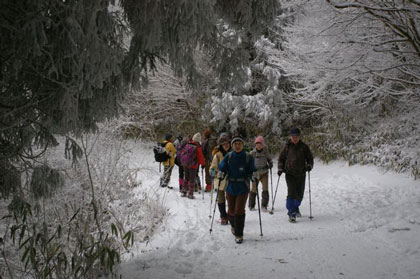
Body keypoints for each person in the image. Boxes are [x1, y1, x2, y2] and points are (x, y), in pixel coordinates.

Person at [219, 135, 256, 243]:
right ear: (232, 146)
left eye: (239, 144)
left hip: (242, 186)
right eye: (235, 144)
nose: (237, 146)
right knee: (231, 211)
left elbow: (252, 169)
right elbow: (222, 167)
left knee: (239, 210)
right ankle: (234, 226)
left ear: (242, 145)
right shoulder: (229, 156)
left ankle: (239, 234)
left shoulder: (248, 156)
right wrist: (221, 173)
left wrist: (253, 175)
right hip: (230, 186)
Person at [277, 127, 314, 223]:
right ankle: (291, 213)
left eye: (296, 136)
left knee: (299, 195)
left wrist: (309, 165)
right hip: (290, 174)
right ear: (290, 136)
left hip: (301, 173)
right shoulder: (287, 147)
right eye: (293, 136)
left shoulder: (304, 147)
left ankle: (296, 207)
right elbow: (281, 159)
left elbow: (310, 158)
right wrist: (280, 168)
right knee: (291, 193)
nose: (295, 138)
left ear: (299, 136)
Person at [210, 133, 231, 225]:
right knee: (221, 199)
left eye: (227, 143)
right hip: (220, 180)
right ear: (221, 145)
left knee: (231, 199)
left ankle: (231, 215)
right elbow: (212, 168)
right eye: (224, 144)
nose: (226, 145)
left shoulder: (234, 153)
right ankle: (223, 216)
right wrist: (216, 173)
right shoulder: (217, 155)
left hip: (232, 180)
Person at [249, 136, 273, 211]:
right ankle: (251, 205)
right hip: (255, 173)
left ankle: (264, 205)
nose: (259, 146)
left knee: (265, 188)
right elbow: (249, 162)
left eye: (260, 144)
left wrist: (270, 163)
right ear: (255, 145)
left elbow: (269, 158)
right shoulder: (252, 153)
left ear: (263, 145)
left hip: (264, 172)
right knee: (253, 189)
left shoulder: (265, 151)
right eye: (257, 144)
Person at [181, 133, 205, 199]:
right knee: (192, 180)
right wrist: (203, 164)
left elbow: (182, 153)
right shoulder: (197, 147)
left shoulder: (187, 145)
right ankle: (190, 194)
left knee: (186, 178)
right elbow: (201, 158)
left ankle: (184, 191)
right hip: (193, 166)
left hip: (185, 164)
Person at [202, 128, 218, 192]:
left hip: (207, 159)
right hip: (214, 158)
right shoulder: (214, 140)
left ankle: (209, 186)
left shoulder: (205, 141)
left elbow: (203, 150)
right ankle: (213, 184)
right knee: (213, 171)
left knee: (208, 172)